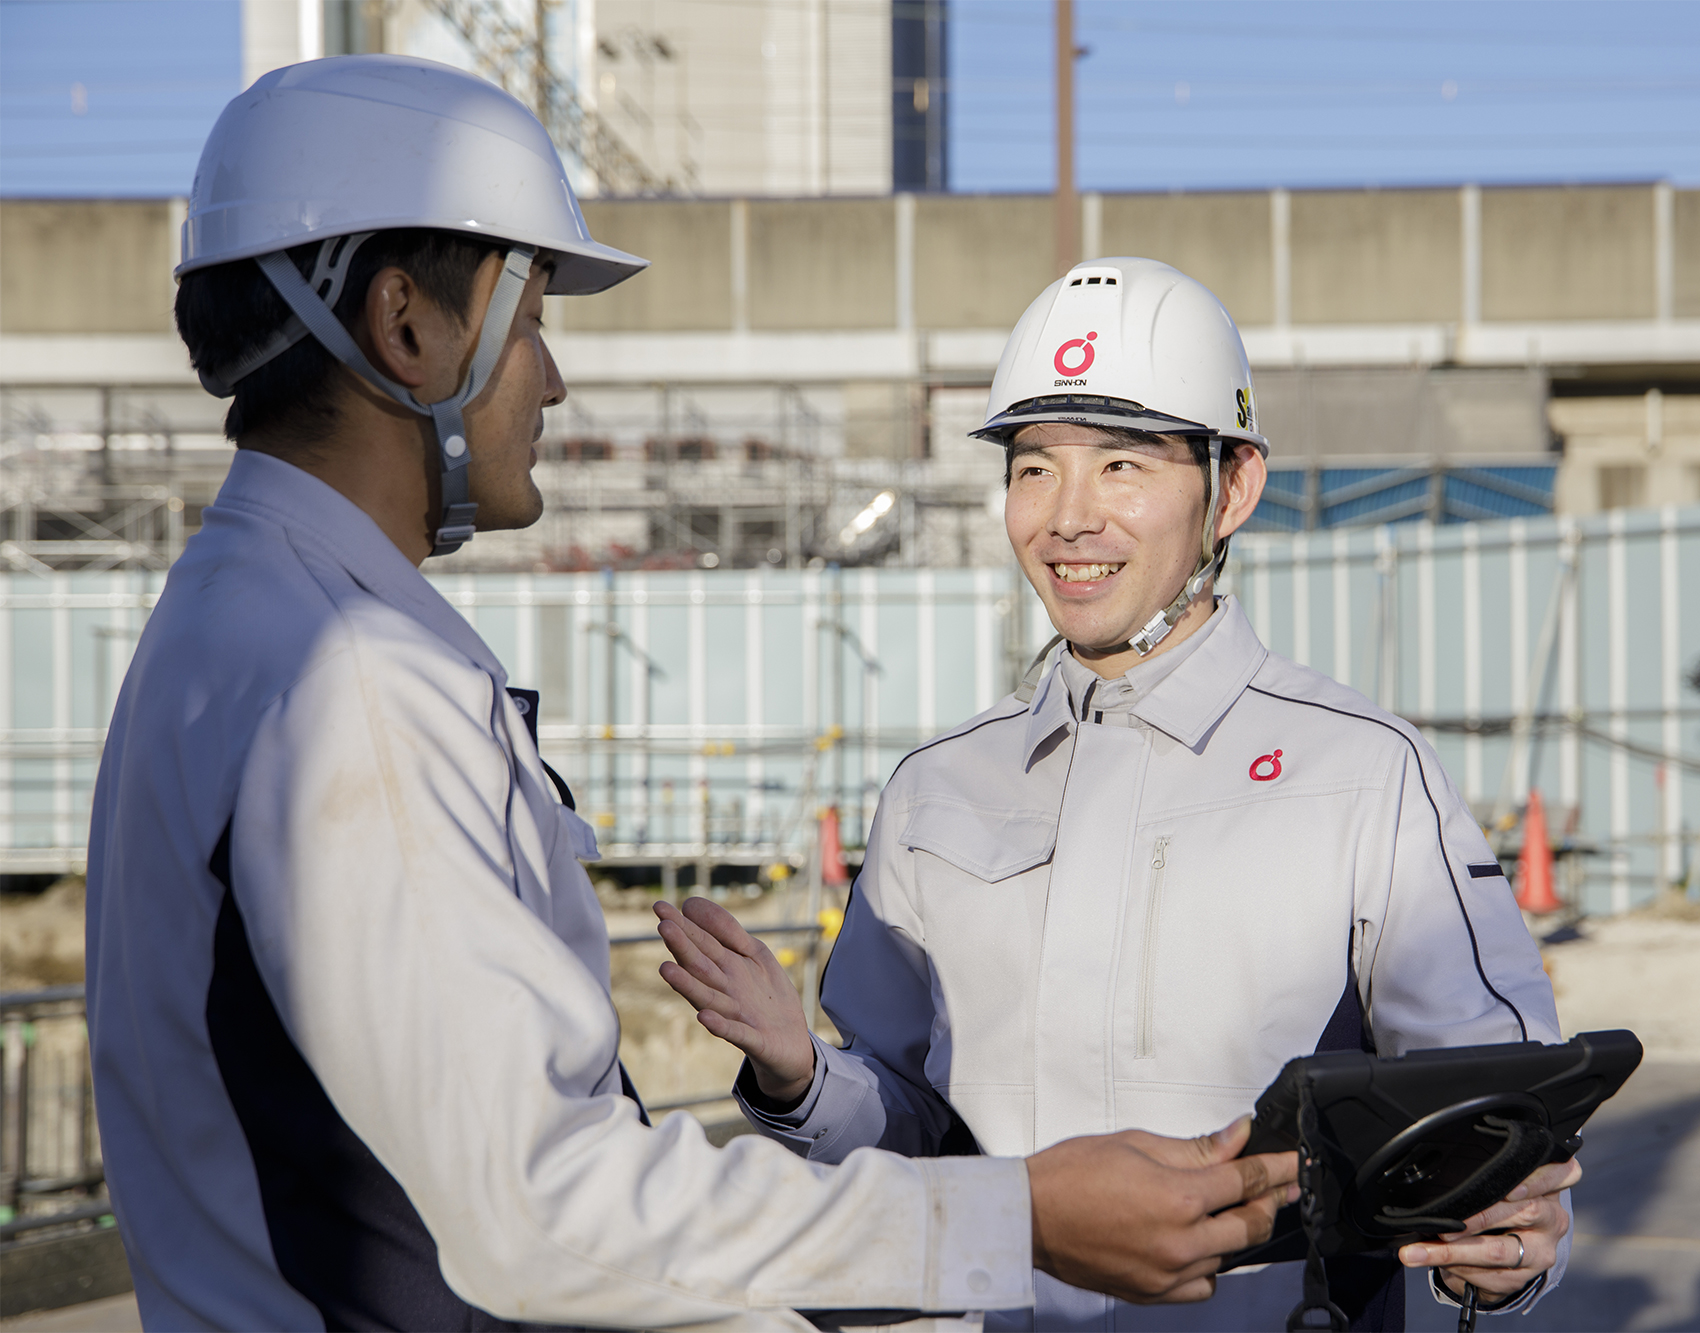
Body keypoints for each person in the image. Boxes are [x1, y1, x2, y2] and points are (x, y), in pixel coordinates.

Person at [85, 63, 1295, 1332]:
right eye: (534, 313)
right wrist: (1019, 1217)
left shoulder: (233, 620)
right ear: (406, 326)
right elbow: (542, 1210)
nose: (551, 381)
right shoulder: (354, 683)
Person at [656, 258, 1579, 1331]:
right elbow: (917, 1133)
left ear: (1230, 486)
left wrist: (1503, 1250)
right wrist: (797, 1074)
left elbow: (1493, 1112)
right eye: (1034, 467)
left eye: (1122, 466)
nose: (1066, 518)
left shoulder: (1363, 773)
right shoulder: (937, 791)